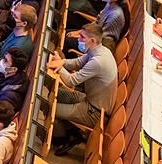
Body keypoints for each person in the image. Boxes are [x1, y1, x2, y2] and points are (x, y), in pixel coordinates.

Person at [46, 24, 117, 155]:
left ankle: (66, 137)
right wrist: (62, 62)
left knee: (49, 107)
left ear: (92, 41)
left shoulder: (98, 61)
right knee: (58, 94)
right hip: (89, 100)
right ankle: (72, 132)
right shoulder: (99, 50)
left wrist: (59, 66)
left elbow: (71, 81)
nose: (78, 38)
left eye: (82, 37)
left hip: (94, 112)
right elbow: (78, 62)